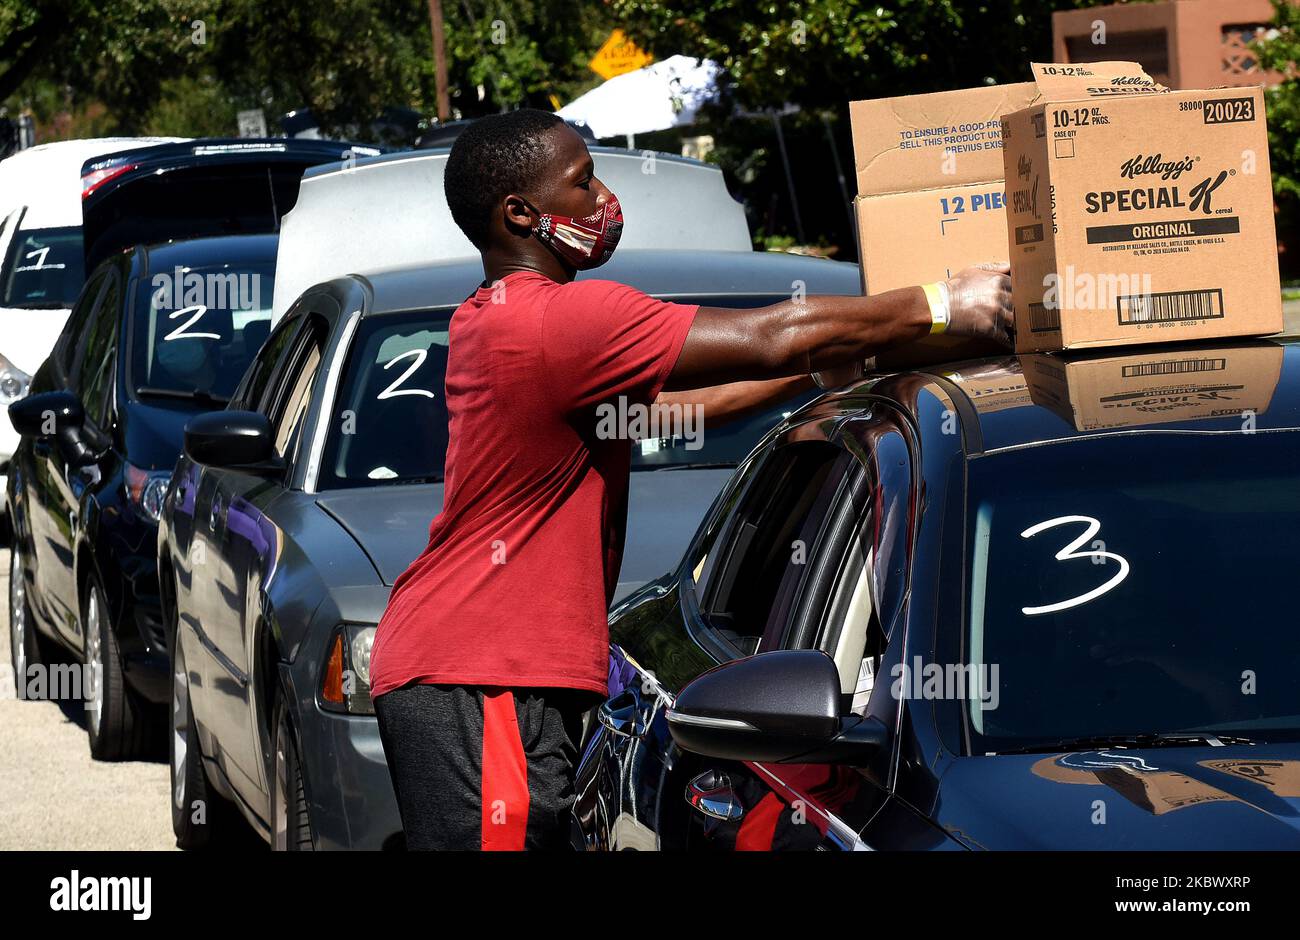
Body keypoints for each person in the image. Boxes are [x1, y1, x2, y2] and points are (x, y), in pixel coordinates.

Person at [369, 108, 1013, 851]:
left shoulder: (512, 322)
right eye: (583, 182)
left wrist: (815, 370)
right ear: (520, 213)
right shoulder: (558, 320)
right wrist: (942, 304)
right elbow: (771, 333)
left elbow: (675, 414)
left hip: (481, 671)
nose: (605, 198)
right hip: (482, 676)